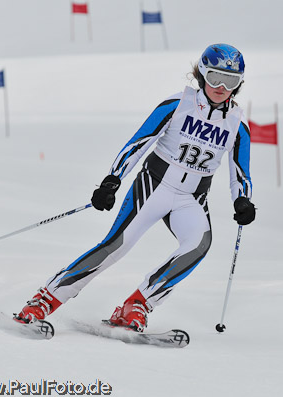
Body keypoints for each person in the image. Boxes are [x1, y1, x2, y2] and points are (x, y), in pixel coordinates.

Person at [13, 44, 255, 332]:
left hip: (192, 197)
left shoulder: (237, 124)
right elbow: (139, 143)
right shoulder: (178, 104)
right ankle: (46, 298)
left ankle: (138, 303)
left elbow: (240, 173)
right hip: (154, 185)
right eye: (215, 77)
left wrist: (242, 201)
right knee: (116, 246)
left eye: (231, 81)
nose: (221, 87)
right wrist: (112, 180)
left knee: (198, 246)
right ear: (202, 74)